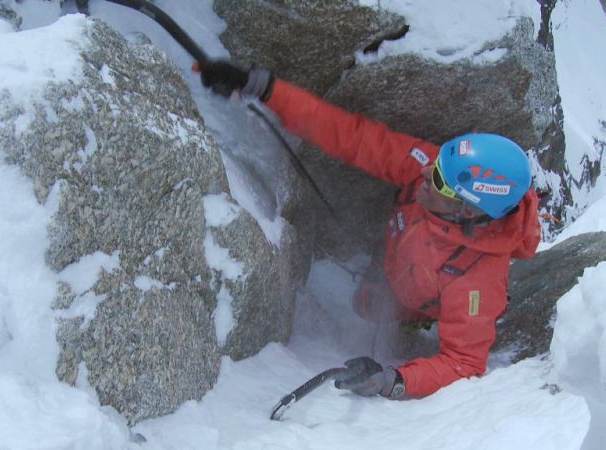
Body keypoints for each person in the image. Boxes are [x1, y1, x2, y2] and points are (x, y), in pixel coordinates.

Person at [195, 60, 541, 400]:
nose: (423, 172)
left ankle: (408, 326)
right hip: (394, 261)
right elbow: (352, 137)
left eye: (437, 179)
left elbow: (464, 362)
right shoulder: (440, 171)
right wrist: (266, 88)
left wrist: (395, 380)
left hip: (416, 300)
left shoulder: (475, 280)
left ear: (466, 209)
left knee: (374, 309)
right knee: (368, 304)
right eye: (436, 164)